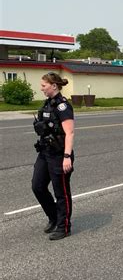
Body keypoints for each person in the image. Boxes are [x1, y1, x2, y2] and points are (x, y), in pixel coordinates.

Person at [32, 72, 75, 240]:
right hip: (45, 152)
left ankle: (64, 226)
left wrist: (67, 156)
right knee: (38, 186)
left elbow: (70, 133)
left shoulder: (63, 106)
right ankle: (54, 217)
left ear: (54, 86)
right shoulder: (47, 104)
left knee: (61, 192)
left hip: (59, 154)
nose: (41, 88)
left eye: (44, 85)